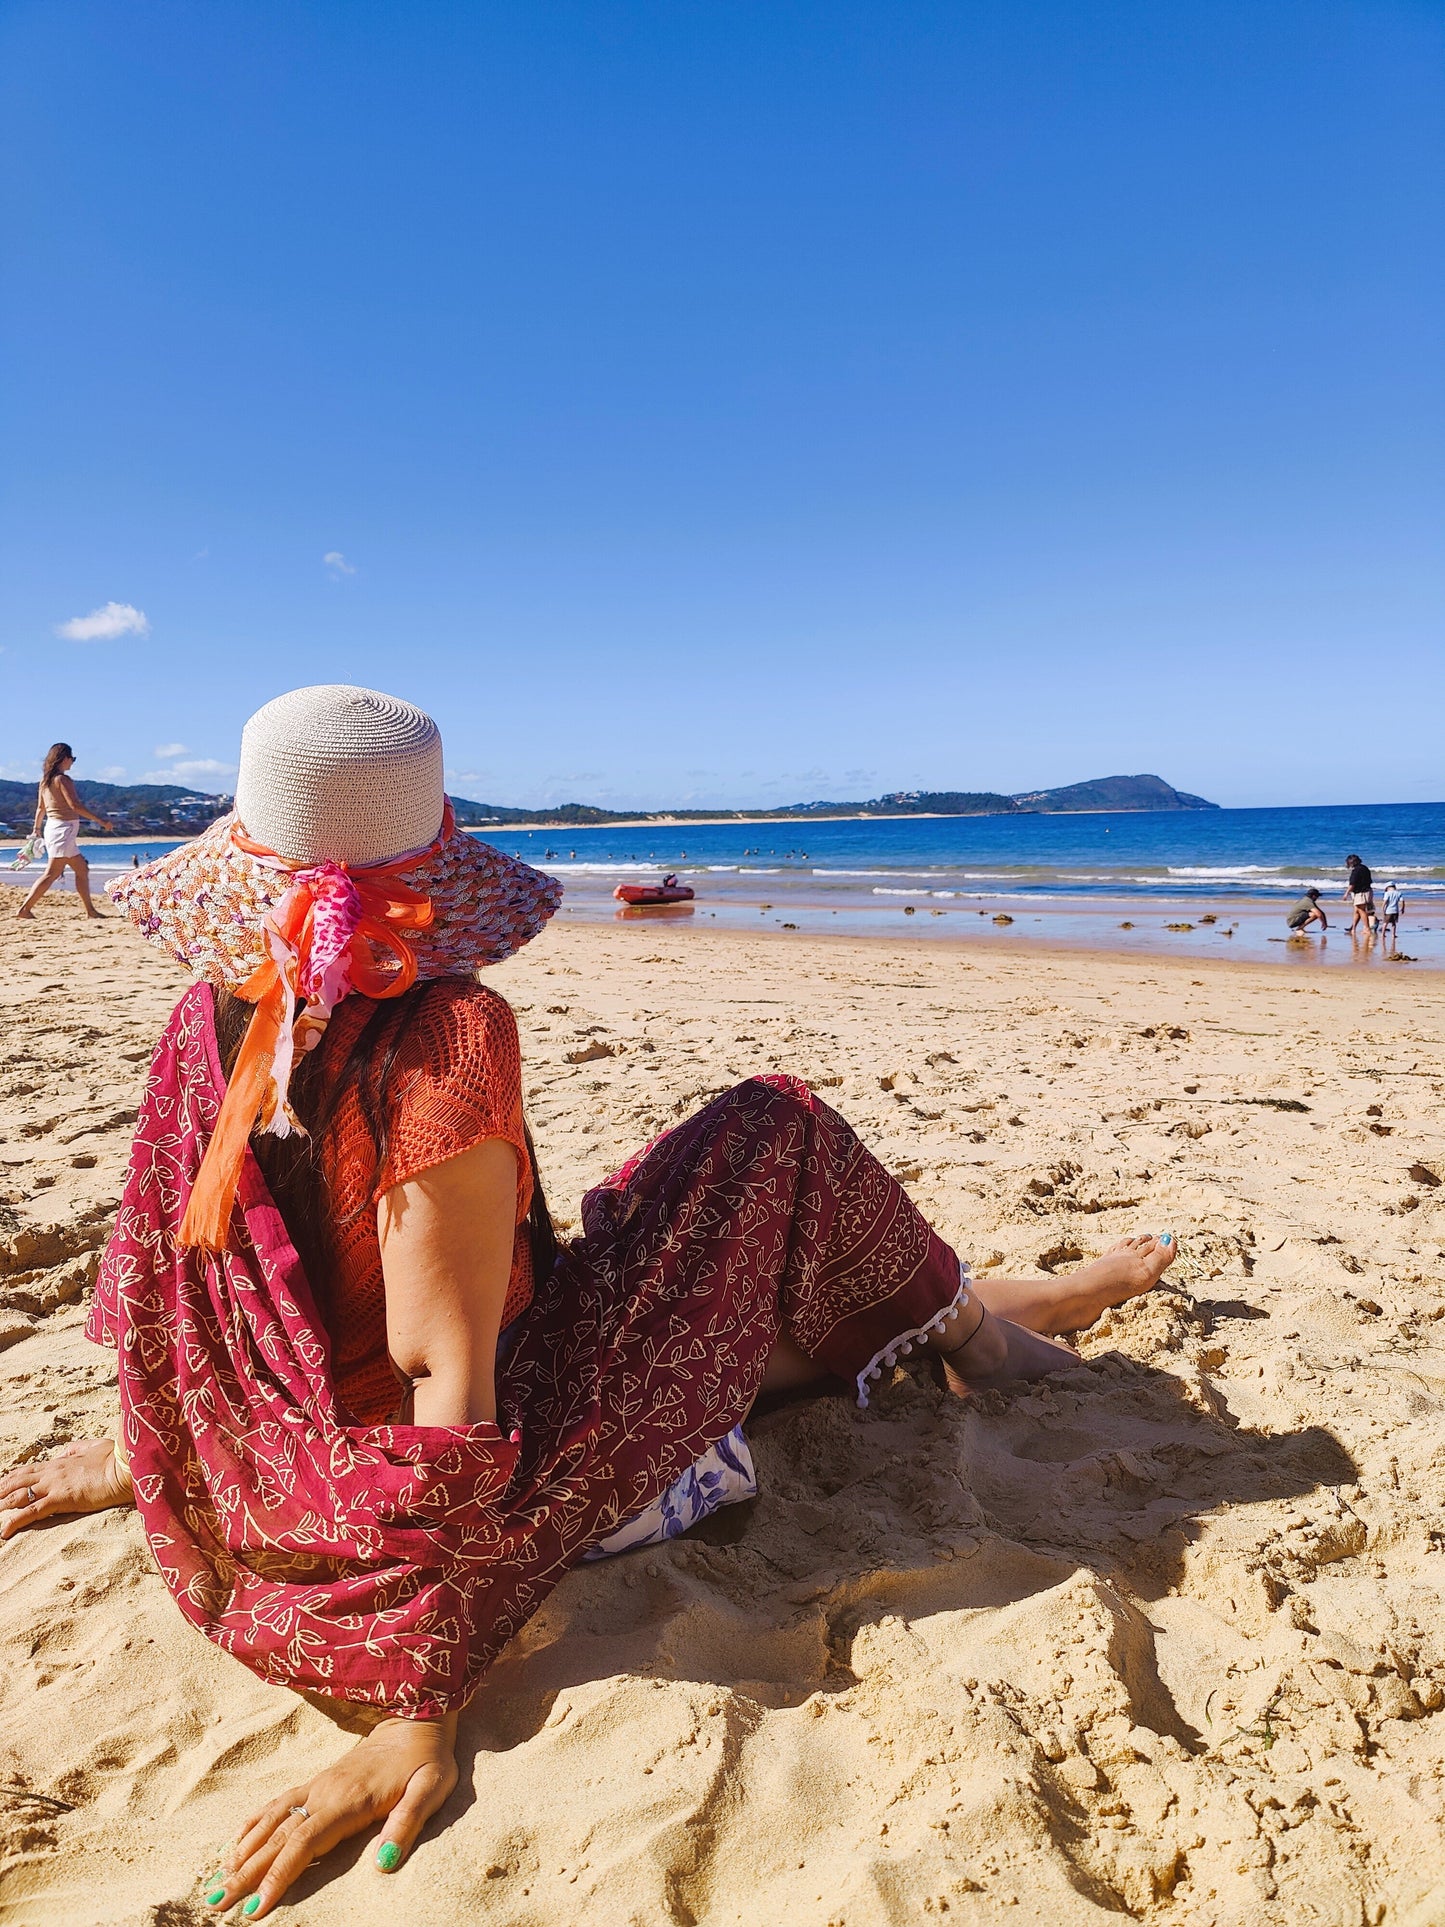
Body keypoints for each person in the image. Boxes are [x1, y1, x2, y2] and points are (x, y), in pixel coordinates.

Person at [0, 685, 1176, 1919]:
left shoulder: (212, 1018)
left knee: (654, 1219)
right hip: (467, 1466)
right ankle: (984, 1336)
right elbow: (442, 1378)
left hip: (283, 1456)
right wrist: (419, 1709)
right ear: (433, 849)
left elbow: (180, 1292)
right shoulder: (445, 1033)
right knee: (774, 1128)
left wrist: (151, 1449)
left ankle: (991, 1308)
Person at [14, 742, 114, 919]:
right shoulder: (62, 779)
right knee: (52, 873)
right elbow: (74, 805)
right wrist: (101, 821)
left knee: (82, 869)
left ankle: (90, 911)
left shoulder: (45, 781)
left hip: (54, 828)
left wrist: (36, 829)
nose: (72, 763)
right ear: (64, 758)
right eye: (72, 759)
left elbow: (40, 808)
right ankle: (24, 909)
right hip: (63, 831)